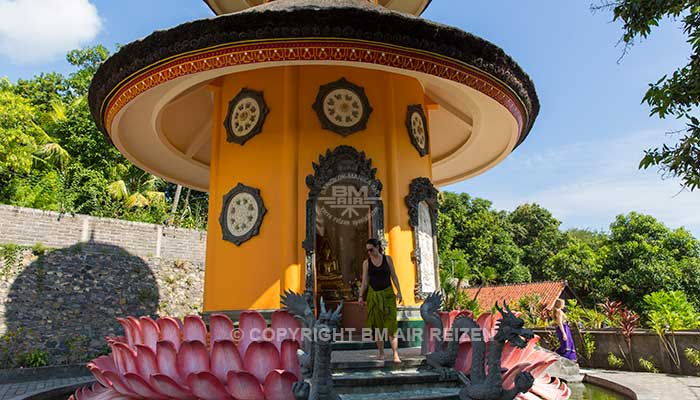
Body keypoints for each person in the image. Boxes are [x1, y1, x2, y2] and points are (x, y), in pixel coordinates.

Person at [358, 238, 403, 363]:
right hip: (374, 295)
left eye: (371, 249)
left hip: (388, 294)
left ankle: (395, 354)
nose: (369, 252)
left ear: (378, 247)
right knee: (377, 326)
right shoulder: (366, 263)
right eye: (367, 250)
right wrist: (361, 296)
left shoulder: (387, 259)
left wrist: (399, 291)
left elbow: (394, 276)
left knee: (391, 324)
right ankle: (381, 352)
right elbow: (365, 281)